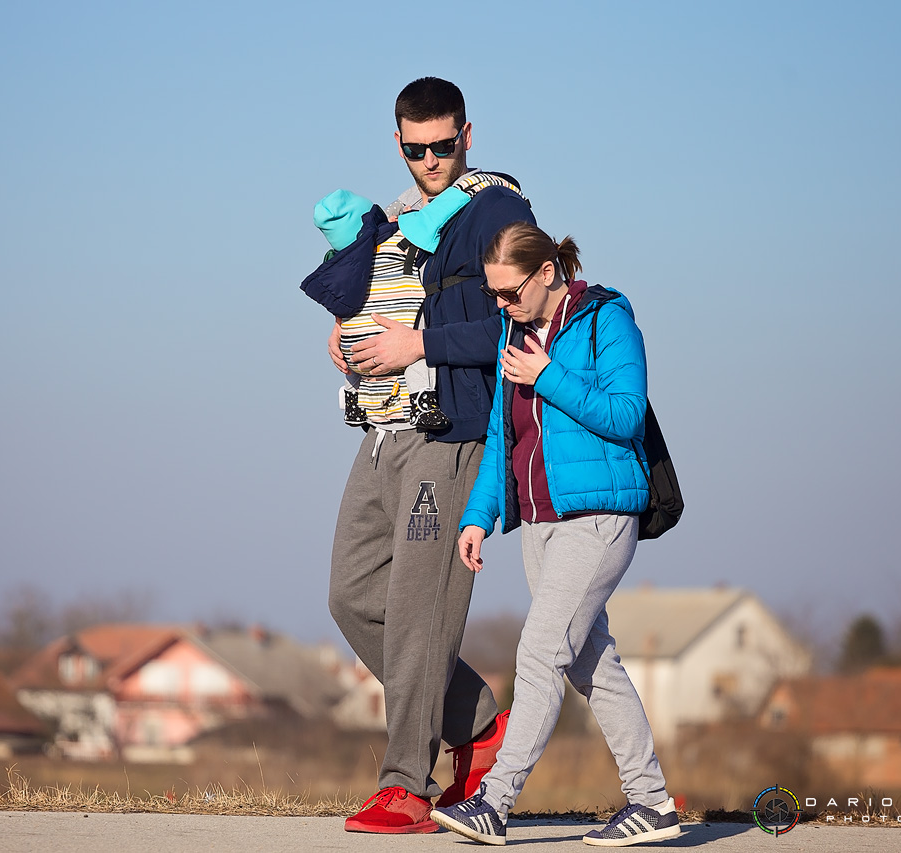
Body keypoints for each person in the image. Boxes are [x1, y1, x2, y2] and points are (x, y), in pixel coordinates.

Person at [321, 77, 536, 834]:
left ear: (468, 134)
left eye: (445, 145)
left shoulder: (497, 210)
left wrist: (418, 343)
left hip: (448, 438)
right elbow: (392, 307)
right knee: (351, 595)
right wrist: (352, 341)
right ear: (399, 143)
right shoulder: (407, 215)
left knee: (419, 613)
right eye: (417, 150)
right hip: (381, 432)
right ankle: (478, 723)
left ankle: (406, 786)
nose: (431, 160)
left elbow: (519, 325)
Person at [430, 222, 681, 847]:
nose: (501, 306)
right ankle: (652, 802)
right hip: (540, 526)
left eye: (508, 293)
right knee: (591, 664)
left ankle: (495, 800)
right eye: (494, 296)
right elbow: (500, 437)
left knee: (540, 654)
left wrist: (547, 376)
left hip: (599, 520)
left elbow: (625, 414)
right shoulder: (516, 336)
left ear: (546, 273)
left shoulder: (607, 319)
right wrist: (477, 517)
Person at [306, 188, 449, 431]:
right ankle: (423, 403)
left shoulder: (335, 262)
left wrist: (339, 323)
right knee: (417, 352)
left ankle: (354, 401)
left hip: (353, 350)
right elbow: (432, 220)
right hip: (397, 338)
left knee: (350, 357)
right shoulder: (400, 239)